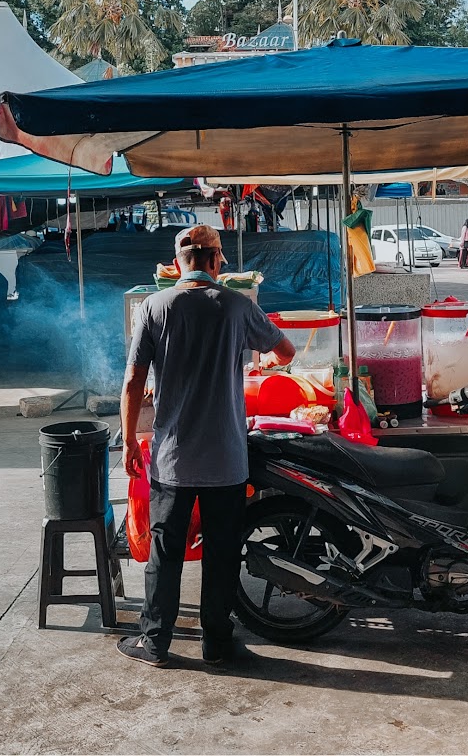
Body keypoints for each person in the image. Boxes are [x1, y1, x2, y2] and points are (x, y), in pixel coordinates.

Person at [118, 224, 295, 668]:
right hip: (227, 461)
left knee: (166, 553)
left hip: (172, 460)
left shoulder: (155, 307)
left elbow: (133, 382)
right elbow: (287, 352)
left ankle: (155, 643)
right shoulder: (237, 306)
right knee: (221, 553)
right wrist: (265, 357)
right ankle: (217, 642)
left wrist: (128, 445)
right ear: (216, 262)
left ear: (178, 264)